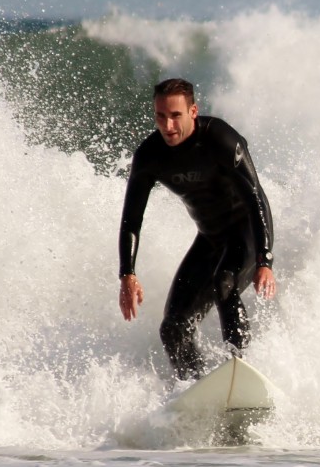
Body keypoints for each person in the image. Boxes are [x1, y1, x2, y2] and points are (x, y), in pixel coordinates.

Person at [118, 78, 275, 381]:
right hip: (210, 238)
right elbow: (131, 220)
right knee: (173, 327)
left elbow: (256, 199)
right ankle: (196, 384)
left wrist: (264, 261)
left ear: (193, 111)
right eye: (160, 116)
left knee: (224, 283)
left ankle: (241, 368)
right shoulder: (150, 156)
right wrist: (128, 274)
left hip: (247, 232)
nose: (168, 125)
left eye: (175, 115)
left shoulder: (220, 139)